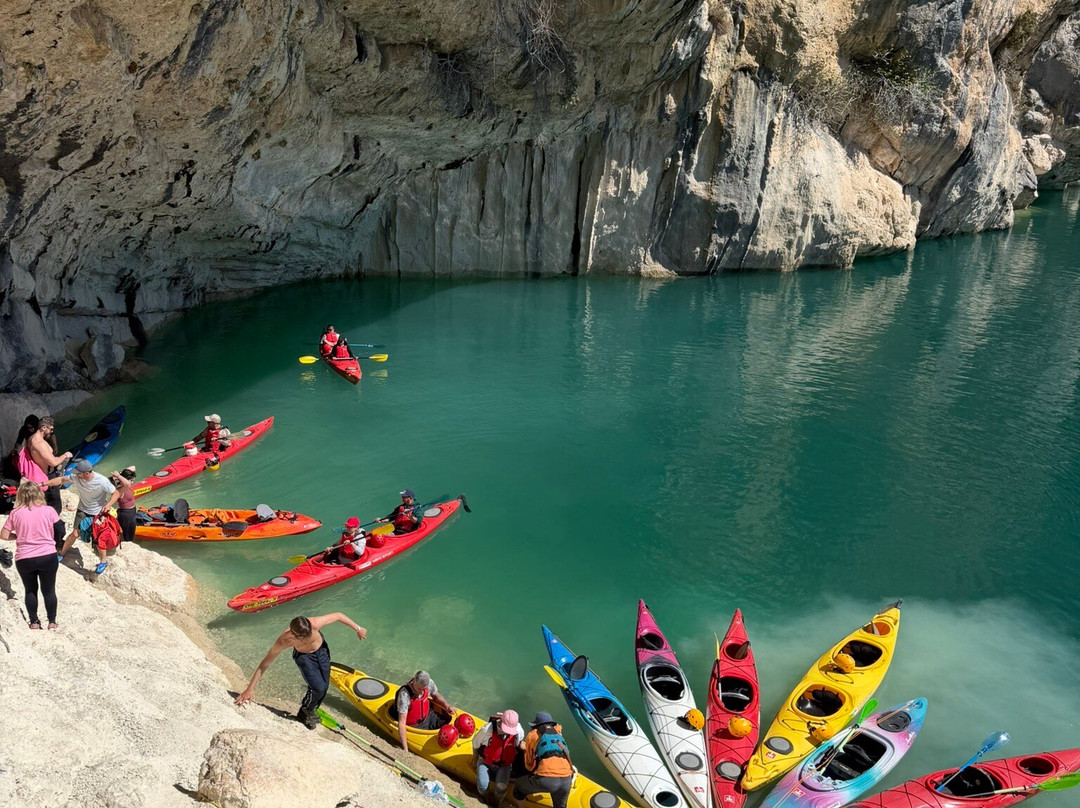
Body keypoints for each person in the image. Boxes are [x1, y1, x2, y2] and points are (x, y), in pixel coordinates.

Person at [235, 613, 367, 729]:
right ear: (293, 634)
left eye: (309, 635)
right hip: (305, 658)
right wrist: (249, 689)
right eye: (302, 638)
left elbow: (339, 616)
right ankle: (305, 711)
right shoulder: (284, 640)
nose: (307, 638)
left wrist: (358, 629)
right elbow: (265, 663)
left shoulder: (315, 623)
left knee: (324, 686)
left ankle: (312, 709)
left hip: (322, 651)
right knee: (318, 687)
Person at [0, 480, 63, 629]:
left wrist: (18, 537)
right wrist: (54, 541)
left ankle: (34, 622)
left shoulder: (15, 513)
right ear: (39, 493)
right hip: (47, 555)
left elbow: (3, 534)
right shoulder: (49, 510)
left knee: (30, 590)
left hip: (24, 558)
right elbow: (60, 529)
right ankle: (52, 622)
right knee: (48, 591)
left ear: (20, 495)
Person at [58, 459, 120, 574]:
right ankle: (61, 554)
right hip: (83, 509)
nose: (76, 474)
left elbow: (116, 493)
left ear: (86, 473)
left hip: (98, 512)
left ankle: (103, 561)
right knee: (75, 534)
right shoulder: (77, 477)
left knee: (98, 537)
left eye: (78, 472)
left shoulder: (102, 481)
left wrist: (108, 505)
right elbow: (62, 479)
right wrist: (43, 484)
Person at [511, 712, 574, 808]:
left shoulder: (533, 735)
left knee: (519, 786)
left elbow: (529, 765)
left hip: (547, 779)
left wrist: (525, 750)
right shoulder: (559, 734)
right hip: (567, 779)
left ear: (536, 725)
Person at [472, 709, 525, 806]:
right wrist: (475, 759)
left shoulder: (518, 730)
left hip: (504, 765)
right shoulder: (487, 730)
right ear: (501, 721)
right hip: (486, 762)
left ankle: (497, 802)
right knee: (483, 786)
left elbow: (518, 743)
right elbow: (475, 743)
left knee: (501, 788)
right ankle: (486, 799)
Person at [21, 416, 70, 516]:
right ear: (44, 428)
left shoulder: (31, 438)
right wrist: (65, 455)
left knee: (45, 502)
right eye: (51, 429)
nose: (51, 432)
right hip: (48, 476)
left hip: (42, 474)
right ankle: (53, 524)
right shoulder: (40, 443)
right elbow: (53, 462)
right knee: (55, 504)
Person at [396, 670, 455, 749]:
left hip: (429, 716)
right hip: (416, 726)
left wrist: (447, 706)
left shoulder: (429, 683)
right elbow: (402, 723)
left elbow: (436, 696)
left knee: (447, 723)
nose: (422, 692)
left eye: (424, 689)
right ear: (414, 681)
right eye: (420, 689)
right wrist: (405, 749)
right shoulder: (404, 695)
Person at [3, 414, 39, 480]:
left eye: (33, 427)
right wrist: (16, 449)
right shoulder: (24, 429)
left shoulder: (38, 431)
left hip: (37, 451)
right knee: (10, 459)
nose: (32, 429)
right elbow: (19, 441)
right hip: (28, 449)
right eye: (30, 428)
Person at [110, 466, 138, 545]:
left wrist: (119, 474)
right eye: (131, 480)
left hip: (132, 511)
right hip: (126, 514)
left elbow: (133, 467)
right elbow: (128, 483)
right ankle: (127, 546)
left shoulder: (125, 485)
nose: (132, 482)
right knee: (128, 535)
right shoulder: (120, 489)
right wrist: (118, 476)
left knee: (132, 532)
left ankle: (129, 544)